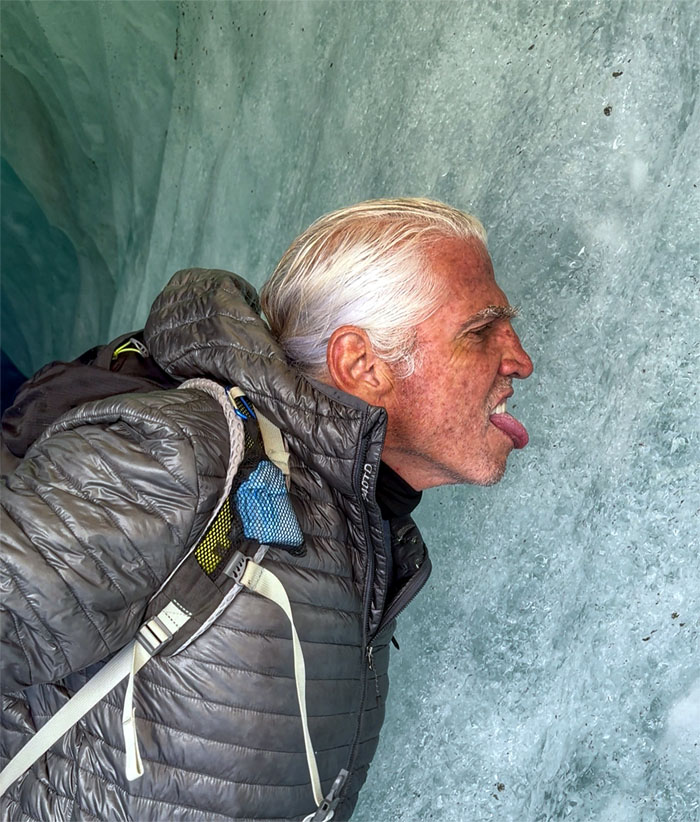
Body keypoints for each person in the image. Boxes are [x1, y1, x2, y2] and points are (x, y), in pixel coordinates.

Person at [0, 198, 532, 821]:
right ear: (361, 364)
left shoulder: (364, 545)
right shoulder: (186, 457)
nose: (520, 359)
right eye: (481, 331)